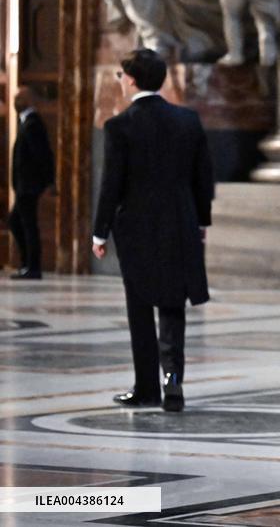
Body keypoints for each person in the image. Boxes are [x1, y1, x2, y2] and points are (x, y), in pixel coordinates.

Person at [92, 49, 214, 412]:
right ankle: (172, 380)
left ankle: (146, 387)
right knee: (173, 304)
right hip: (180, 223)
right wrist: (202, 220)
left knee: (140, 306)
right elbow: (202, 178)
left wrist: (100, 233)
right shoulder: (187, 121)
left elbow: (110, 184)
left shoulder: (119, 125)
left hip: (136, 228)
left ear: (130, 79)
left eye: (121, 76)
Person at [8, 87, 55, 280]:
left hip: (29, 186)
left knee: (26, 225)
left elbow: (43, 155)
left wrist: (49, 181)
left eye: (19, 98)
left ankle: (32, 266)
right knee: (17, 222)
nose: (15, 100)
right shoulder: (26, 122)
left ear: (29, 100)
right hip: (24, 185)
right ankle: (28, 264)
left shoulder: (34, 123)